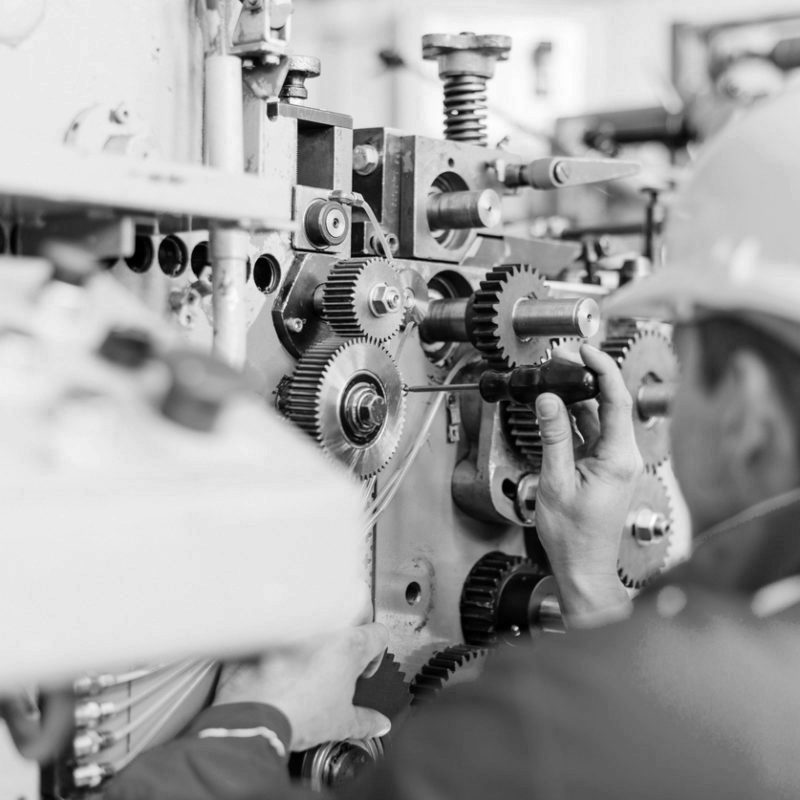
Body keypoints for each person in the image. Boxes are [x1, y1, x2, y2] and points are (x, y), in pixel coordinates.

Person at [106, 86, 800, 800]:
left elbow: (633, 729)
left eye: (682, 372)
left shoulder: (556, 729)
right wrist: (592, 590)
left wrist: (252, 723)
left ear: (746, 407)